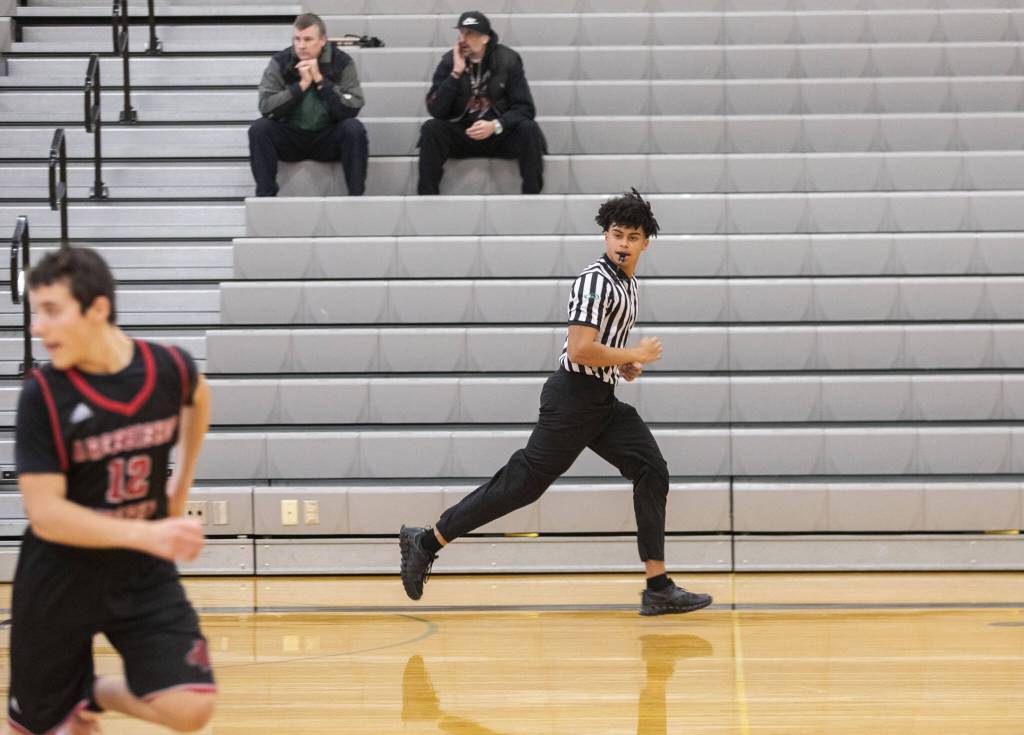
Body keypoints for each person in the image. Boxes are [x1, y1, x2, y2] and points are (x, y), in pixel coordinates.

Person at [399, 190, 713, 616]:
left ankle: (657, 587)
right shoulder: (594, 281)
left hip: (600, 400)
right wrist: (633, 354)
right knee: (523, 485)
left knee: (651, 470)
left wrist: (624, 366)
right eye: (616, 234)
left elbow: (603, 350)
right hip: (572, 398)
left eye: (632, 237)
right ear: (605, 236)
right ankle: (427, 541)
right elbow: (581, 349)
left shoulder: (629, 286)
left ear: (645, 243)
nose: (623, 243)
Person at [7, 247, 215, 734]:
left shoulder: (168, 368)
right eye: (36, 312)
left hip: (139, 572)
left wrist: (178, 490)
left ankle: (92, 691)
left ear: (97, 308)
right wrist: (153, 535)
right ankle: (62, 705)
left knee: (191, 707)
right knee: (29, 729)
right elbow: (46, 515)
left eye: (52, 311)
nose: (39, 327)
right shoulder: (43, 394)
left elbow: (199, 396)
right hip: (59, 574)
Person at [418, 10, 546, 195]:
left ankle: (532, 197)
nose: (463, 39)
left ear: (485, 38)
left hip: (499, 134)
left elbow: (525, 108)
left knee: (529, 128)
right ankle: (427, 198)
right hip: (464, 133)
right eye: (462, 33)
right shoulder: (449, 62)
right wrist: (455, 73)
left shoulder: (508, 60)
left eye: (470, 34)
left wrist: (495, 125)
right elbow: (436, 110)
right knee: (431, 128)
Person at [249, 13, 368, 197]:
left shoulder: (342, 62)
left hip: (327, 137)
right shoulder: (280, 61)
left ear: (322, 40)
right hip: (292, 136)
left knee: (354, 129)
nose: (301, 45)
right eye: (297, 39)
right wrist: (301, 86)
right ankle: (266, 197)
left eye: (307, 39)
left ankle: (356, 197)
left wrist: (321, 82)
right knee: (260, 129)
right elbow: (266, 106)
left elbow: (352, 107)